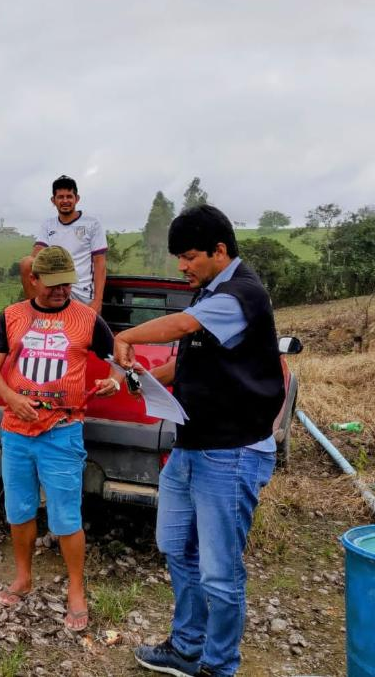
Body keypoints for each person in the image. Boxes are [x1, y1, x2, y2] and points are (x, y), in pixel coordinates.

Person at [113, 205, 284, 677]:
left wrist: (126, 335)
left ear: (219, 250)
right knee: (174, 547)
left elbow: (185, 327)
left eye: (188, 257)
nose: (181, 267)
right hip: (190, 447)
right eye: (179, 258)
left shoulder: (241, 294)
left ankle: (219, 664)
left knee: (219, 572)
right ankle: (187, 647)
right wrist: (141, 377)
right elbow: (189, 361)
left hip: (230, 454)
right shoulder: (208, 292)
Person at [0, 246, 122, 632]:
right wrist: (12, 398)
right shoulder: (12, 316)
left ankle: (76, 589)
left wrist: (115, 380)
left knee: (65, 516)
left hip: (62, 431)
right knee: (19, 510)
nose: (62, 291)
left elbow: (119, 358)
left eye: (67, 284)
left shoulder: (86, 318)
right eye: (54, 285)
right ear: (34, 280)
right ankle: (24, 577)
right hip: (15, 432)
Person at [19, 175, 108, 313]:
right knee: (26, 262)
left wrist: (97, 301)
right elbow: (37, 256)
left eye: (69, 196)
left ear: (76, 199)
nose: (65, 201)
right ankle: (35, 316)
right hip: (54, 287)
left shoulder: (92, 224)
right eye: (60, 197)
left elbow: (100, 263)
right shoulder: (48, 225)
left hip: (81, 291)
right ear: (53, 200)